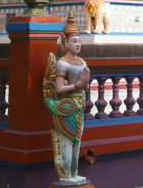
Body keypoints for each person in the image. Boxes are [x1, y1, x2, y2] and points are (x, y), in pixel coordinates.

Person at [43, 13, 91, 184]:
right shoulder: (62, 63)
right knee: (67, 141)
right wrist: (78, 85)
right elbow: (59, 88)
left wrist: (84, 89)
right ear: (65, 43)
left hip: (79, 106)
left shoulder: (82, 62)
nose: (78, 44)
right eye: (74, 41)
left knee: (77, 139)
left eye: (79, 41)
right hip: (66, 106)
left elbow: (85, 85)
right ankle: (65, 175)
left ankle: (74, 172)